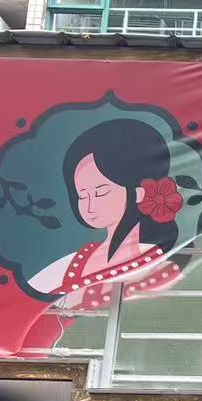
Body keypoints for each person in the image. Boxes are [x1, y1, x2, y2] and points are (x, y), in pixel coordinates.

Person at [29, 119, 187, 309]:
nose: (89, 206)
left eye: (100, 192)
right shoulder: (72, 262)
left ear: (140, 191)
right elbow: (29, 297)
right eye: (82, 195)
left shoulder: (163, 266)